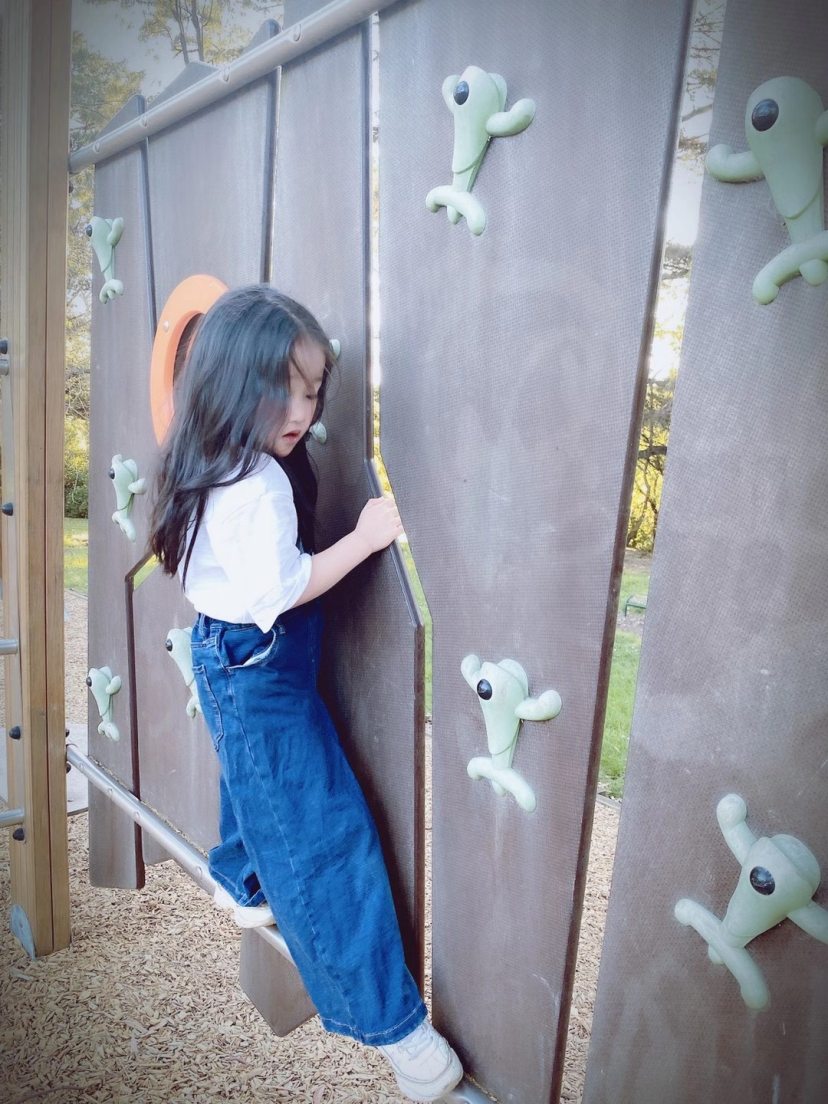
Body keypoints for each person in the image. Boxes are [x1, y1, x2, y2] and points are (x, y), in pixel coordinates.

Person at [148, 284, 463, 1102]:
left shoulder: (206, 453)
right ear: (230, 380)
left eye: (313, 390)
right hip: (257, 660)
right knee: (325, 836)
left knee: (255, 776)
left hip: (230, 656)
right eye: (282, 388)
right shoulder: (252, 484)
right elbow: (284, 588)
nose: (302, 409)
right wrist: (364, 538)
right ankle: (393, 1027)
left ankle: (241, 872)